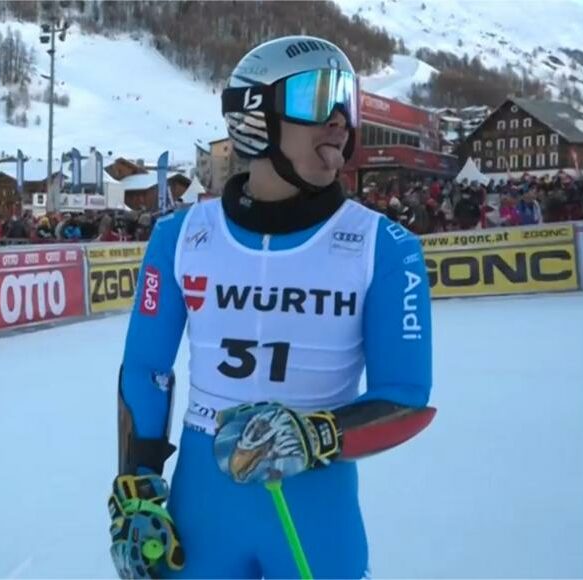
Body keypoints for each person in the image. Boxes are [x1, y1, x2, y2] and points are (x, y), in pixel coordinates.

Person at [109, 36, 435, 579]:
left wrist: (314, 436)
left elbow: (405, 396)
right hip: (202, 512)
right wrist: (135, 488)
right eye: (314, 95)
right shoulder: (179, 236)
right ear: (254, 115)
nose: (338, 120)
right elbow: (147, 369)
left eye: (345, 99)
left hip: (314, 509)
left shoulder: (387, 246)